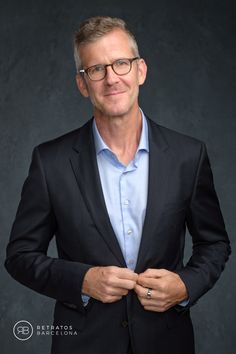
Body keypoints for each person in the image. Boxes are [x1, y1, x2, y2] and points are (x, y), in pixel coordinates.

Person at [5, 16, 231, 354]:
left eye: (121, 64)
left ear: (140, 70)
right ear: (82, 84)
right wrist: (82, 281)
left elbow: (215, 244)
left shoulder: (189, 156)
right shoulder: (49, 162)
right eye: (96, 69)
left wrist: (185, 285)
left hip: (167, 343)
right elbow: (20, 256)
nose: (112, 79)